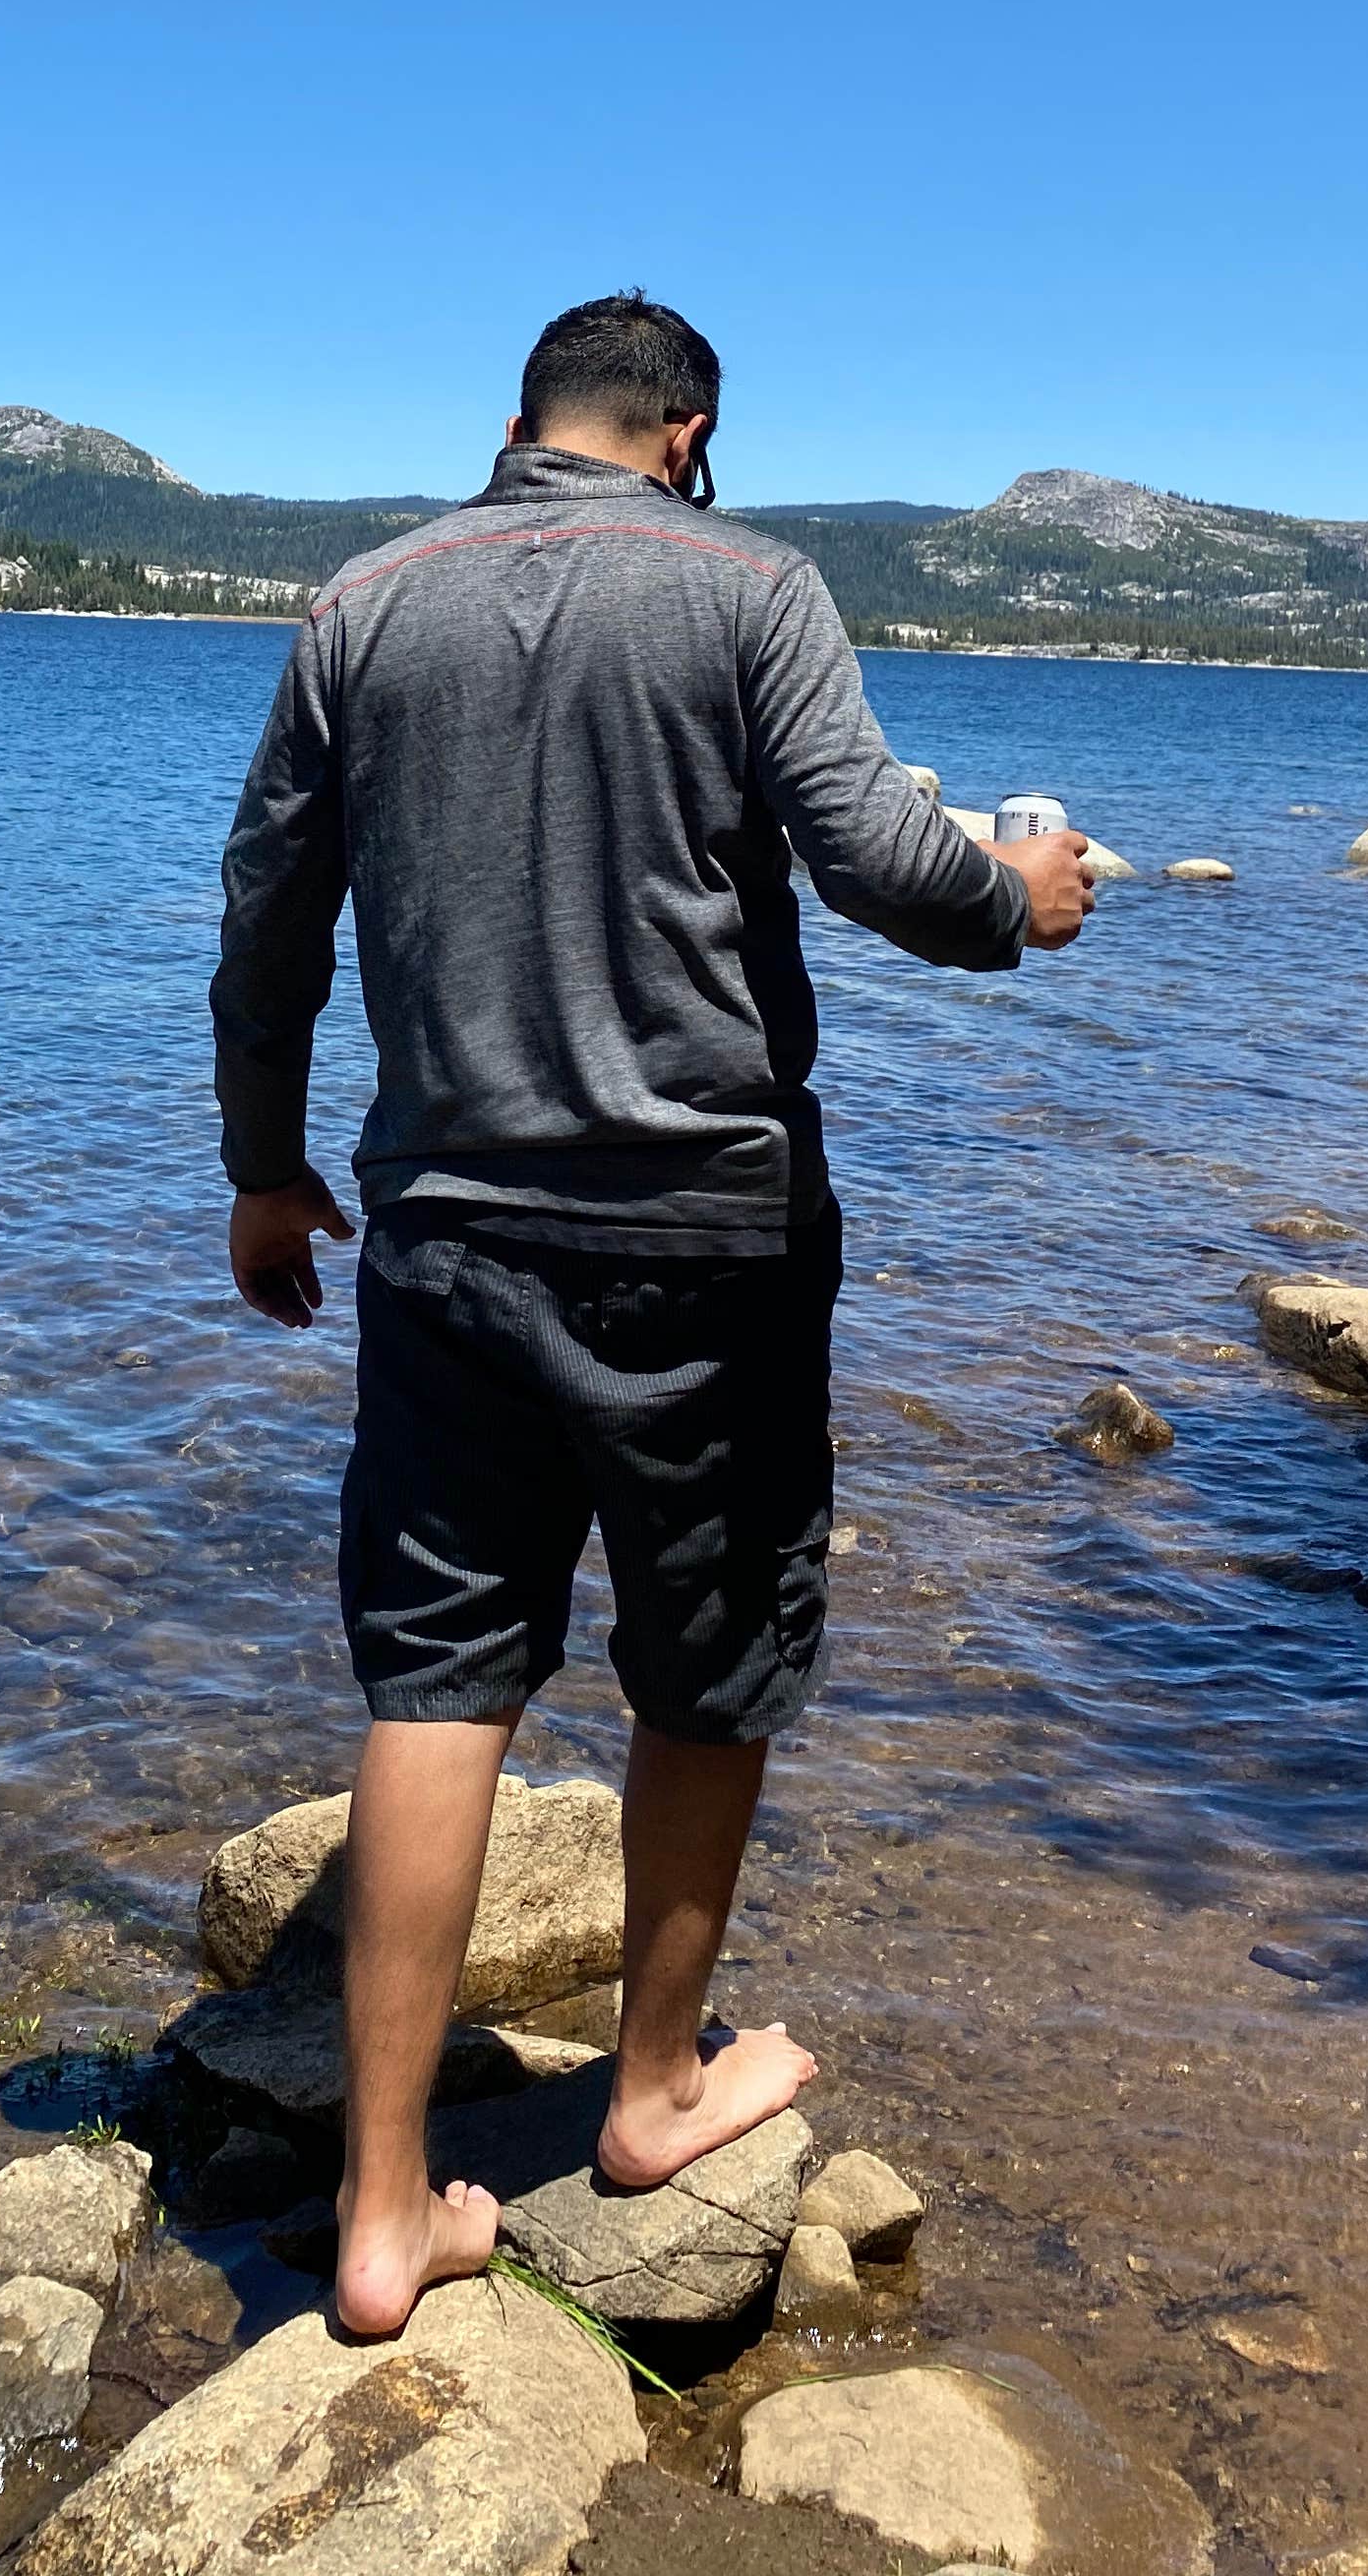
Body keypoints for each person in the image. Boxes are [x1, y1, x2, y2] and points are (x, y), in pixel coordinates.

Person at [211, 291, 1092, 2339]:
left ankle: (378, 2214)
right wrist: (1016, 896)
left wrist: (265, 1167)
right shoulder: (750, 586)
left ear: (518, 425)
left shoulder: (363, 603)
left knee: (438, 1678)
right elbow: (879, 854)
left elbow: (269, 907)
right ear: (689, 431)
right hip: (708, 1239)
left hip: (442, 1234)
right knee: (707, 1658)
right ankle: (658, 2089)